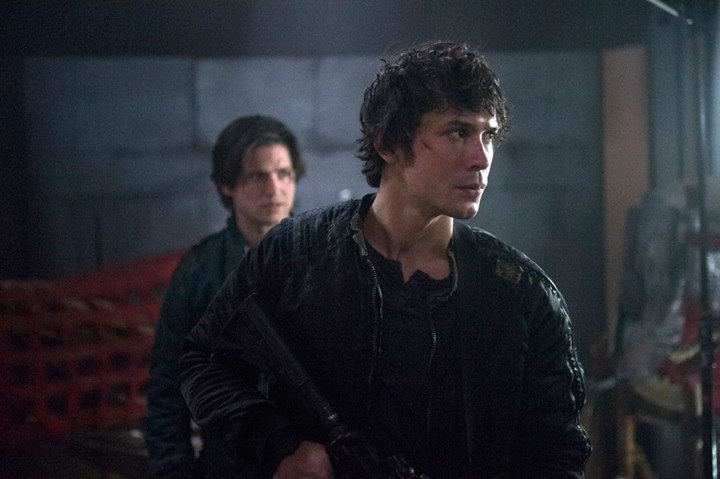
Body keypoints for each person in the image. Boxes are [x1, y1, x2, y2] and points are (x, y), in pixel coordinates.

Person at [179, 41, 591, 478]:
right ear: (388, 143)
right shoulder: (295, 254)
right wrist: (279, 446)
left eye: (487, 134)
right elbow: (203, 361)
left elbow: (557, 455)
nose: (481, 158)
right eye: (457, 132)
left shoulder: (522, 296)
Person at [146, 115, 305, 479]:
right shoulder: (200, 271)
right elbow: (169, 381)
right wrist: (172, 469)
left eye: (284, 174)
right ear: (227, 185)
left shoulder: (324, 256)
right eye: (257, 176)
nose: (274, 188)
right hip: (230, 461)